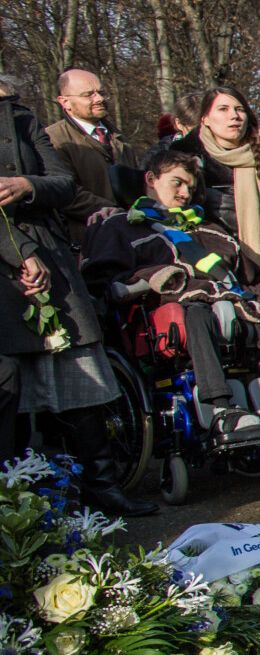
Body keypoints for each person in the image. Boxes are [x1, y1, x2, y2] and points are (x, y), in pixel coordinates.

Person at [0, 89, 155, 514]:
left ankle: (101, 487)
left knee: (79, 373)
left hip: (51, 259)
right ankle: (21, 503)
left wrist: (27, 184)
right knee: (11, 385)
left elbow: (64, 184)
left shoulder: (22, 117)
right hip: (8, 271)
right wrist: (20, 253)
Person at [83, 145, 260, 421]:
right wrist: (152, 277)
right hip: (176, 305)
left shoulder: (210, 229)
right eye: (177, 183)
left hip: (228, 299)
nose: (185, 193)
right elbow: (103, 281)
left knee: (258, 313)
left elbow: (249, 278)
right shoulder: (122, 226)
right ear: (151, 179)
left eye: (191, 188)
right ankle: (221, 407)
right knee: (197, 312)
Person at [179, 86, 260, 277]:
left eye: (240, 109)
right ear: (205, 118)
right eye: (223, 109)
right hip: (218, 265)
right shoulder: (184, 157)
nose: (234, 116)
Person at [47, 68, 144, 241]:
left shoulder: (118, 137)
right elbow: (66, 193)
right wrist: (115, 211)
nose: (99, 99)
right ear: (65, 102)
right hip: (89, 239)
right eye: (88, 95)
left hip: (132, 234)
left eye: (101, 92)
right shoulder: (53, 140)